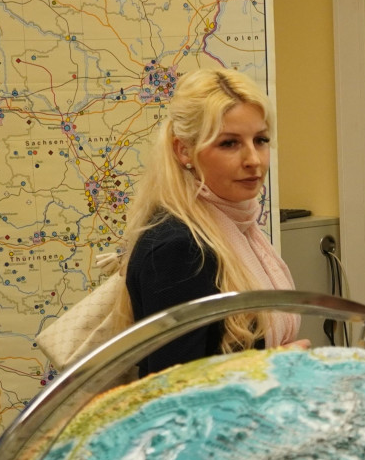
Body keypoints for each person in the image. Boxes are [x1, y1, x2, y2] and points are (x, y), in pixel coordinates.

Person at [118, 68, 306, 377]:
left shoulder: (235, 225)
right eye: (229, 144)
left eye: (260, 140)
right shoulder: (178, 247)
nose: (253, 160)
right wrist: (275, 367)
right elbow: (176, 391)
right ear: (184, 151)